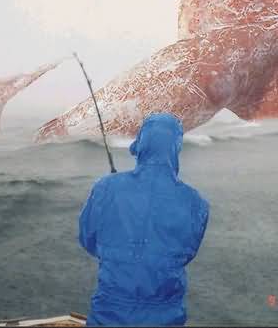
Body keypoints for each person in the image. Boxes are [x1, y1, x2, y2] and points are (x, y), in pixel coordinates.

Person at [78, 112, 210, 326]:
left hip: (108, 314)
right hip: (166, 317)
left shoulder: (106, 187)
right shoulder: (196, 202)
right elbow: (187, 253)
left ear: (141, 143)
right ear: (176, 148)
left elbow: (88, 240)